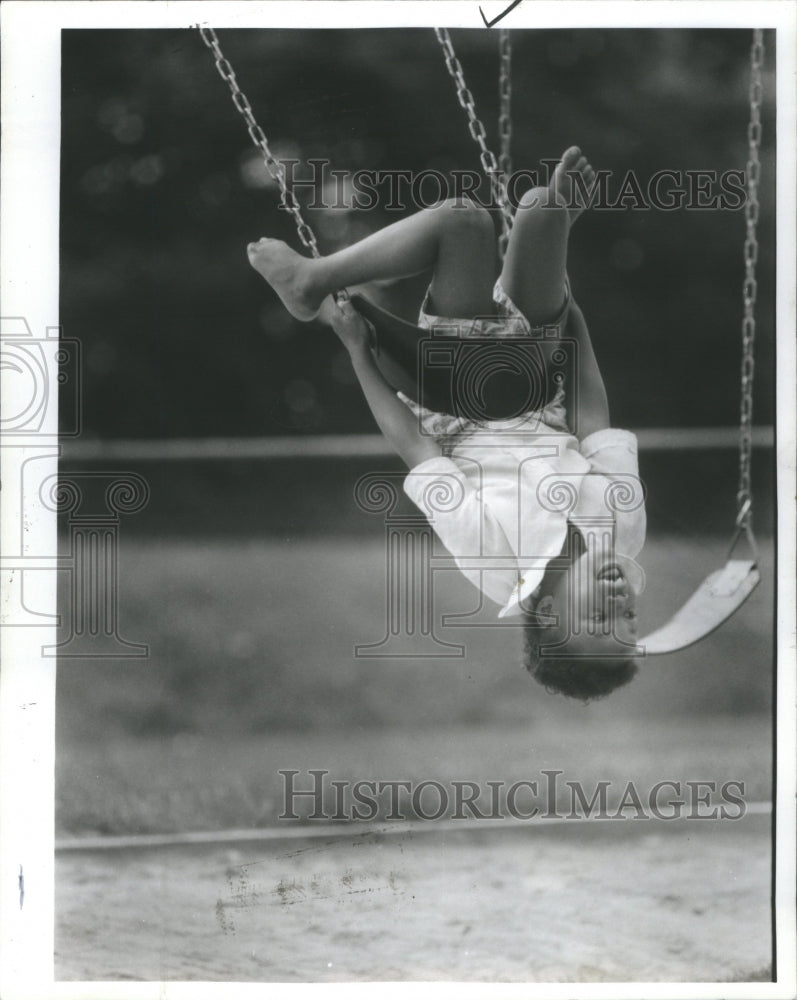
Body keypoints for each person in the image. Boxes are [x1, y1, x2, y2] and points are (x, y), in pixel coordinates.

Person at [248, 147, 647, 701]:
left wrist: (358, 353)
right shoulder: (624, 530)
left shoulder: (494, 565)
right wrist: (567, 308)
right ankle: (546, 237)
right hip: (538, 377)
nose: (622, 608)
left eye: (602, 625)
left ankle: (312, 281)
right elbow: (592, 418)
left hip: (458, 399)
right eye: (632, 623)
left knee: (462, 221)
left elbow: (418, 450)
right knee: (540, 206)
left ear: (550, 613)